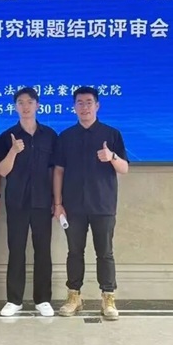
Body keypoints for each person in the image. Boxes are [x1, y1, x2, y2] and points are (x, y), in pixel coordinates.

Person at [53, 86, 129, 320]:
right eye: (80, 102)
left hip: (103, 205)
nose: (84, 107)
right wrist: (58, 203)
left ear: (97, 105)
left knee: (105, 253)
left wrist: (111, 157)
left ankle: (108, 298)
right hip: (73, 206)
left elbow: (124, 168)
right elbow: (58, 171)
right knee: (74, 252)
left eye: (88, 102)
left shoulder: (112, 134)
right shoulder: (66, 136)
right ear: (74, 107)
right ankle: (74, 297)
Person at [0, 87, 58, 317]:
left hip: (43, 201)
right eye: (20, 102)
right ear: (15, 107)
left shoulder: (49, 135)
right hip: (17, 201)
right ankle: (14, 300)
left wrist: (57, 201)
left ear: (37, 105)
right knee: (16, 250)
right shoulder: (7, 136)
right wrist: (13, 151)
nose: (25, 106)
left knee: (43, 250)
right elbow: (2, 171)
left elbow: (55, 171)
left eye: (30, 102)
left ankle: (43, 299)